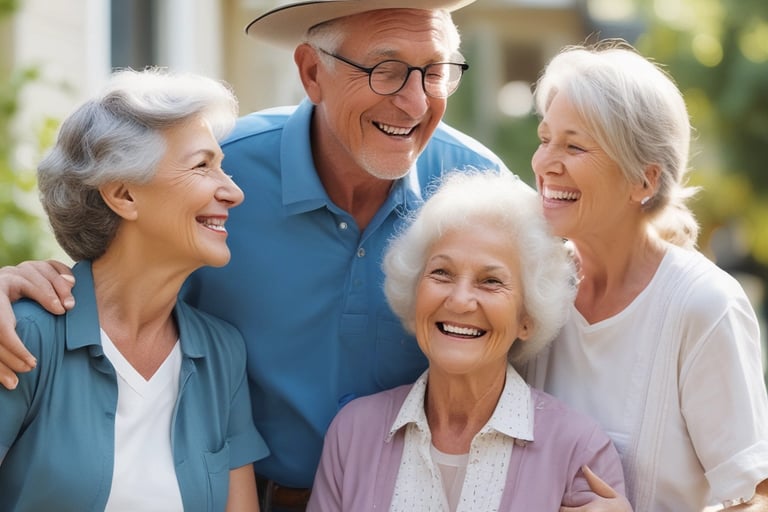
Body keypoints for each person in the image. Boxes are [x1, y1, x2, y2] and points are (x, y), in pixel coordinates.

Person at [0, 1, 517, 510]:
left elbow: (550, 326)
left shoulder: (479, 192)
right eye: (386, 70)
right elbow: (110, 267)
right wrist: (14, 287)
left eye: (435, 73)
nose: (416, 102)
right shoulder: (230, 171)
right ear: (312, 73)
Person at [0, 68, 268, 511]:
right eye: (203, 166)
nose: (233, 192)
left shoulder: (222, 353)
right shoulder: (26, 336)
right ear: (124, 195)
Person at [523, 39, 768, 511]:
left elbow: (754, 500)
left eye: (574, 145)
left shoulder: (704, 305)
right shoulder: (531, 284)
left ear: (644, 181)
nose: (544, 163)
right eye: (544, 138)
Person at [307, 170, 629, 511]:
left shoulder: (580, 452)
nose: (460, 301)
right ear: (415, 293)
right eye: (441, 273)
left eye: (491, 281)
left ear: (527, 318)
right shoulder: (353, 434)